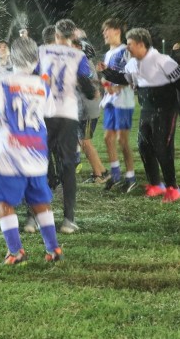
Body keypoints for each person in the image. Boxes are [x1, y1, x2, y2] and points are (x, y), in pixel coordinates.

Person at [0, 36, 63, 265]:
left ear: (14, 58)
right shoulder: (41, 84)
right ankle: (53, 248)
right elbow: (48, 112)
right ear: (35, 59)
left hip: (10, 152)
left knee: (4, 202)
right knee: (39, 200)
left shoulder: (2, 82)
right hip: (36, 151)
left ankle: (15, 251)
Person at [101, 28, 180, 203]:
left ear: (141, 44)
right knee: (144, 146)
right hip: (147, 109)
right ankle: (156, 184)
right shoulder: (133, 63)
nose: (127, 47)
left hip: (165, 109)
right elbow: (124, 79)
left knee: (162, 148)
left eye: (129, 44)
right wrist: (106, 71)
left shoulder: (162, 60)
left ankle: (173, 188)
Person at [37, 19, 96, 234]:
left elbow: (34, 77)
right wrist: (91, 91)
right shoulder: (78, 56)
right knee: (68, 166)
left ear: (56, 35)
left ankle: (35, 217)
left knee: (40, 164)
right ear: (73, 36)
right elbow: (87, 87)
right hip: (68, 115)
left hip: (45, 114)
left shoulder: (42, 51)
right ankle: (68, 220)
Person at [98, 18, 138, 193]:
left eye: (106, 30)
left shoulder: (126, 51)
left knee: (122, 140)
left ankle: (131, 177)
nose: (104, 33)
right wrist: (105, 84)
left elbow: (131, 76)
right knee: (108, 138)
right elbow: (106, 77)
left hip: (123, 102)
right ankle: (115, 174)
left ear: (117, 31)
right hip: (110, 101)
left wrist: (118, 86)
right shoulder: (108, 54)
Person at [71, 31, 108, 185]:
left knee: (85, 142)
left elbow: (85, 84)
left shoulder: (82, 62)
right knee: (84, 142)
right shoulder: (84, 62)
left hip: (87, 109)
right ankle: (101, 172)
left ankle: (100, 174)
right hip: (86, 108)